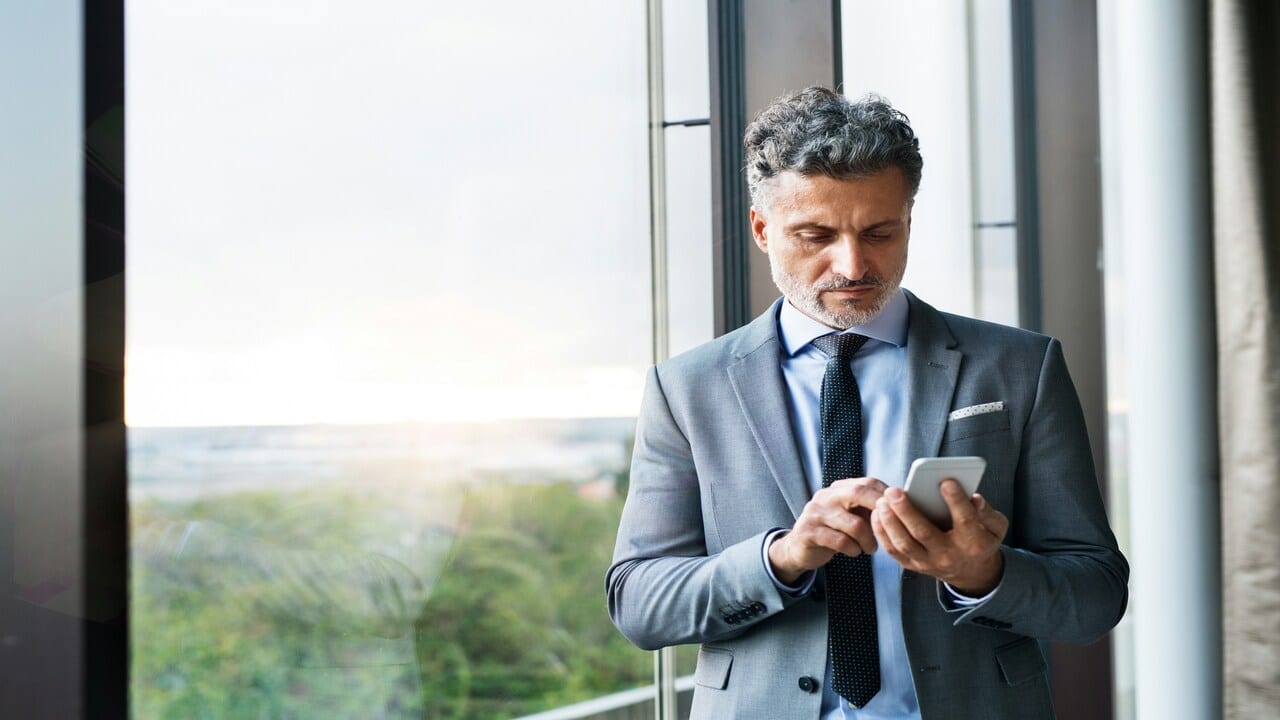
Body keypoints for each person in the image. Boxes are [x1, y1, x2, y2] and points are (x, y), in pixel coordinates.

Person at [605, 87, 1128, 720]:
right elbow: (638, 603)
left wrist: (983, 573)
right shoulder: (687, 388)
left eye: (879, 232)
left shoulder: (1019, 367)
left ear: (909, 219)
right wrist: (782, 558)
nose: (852, 265)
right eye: (815, 235)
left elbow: (1095, 595)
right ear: (762, 229)